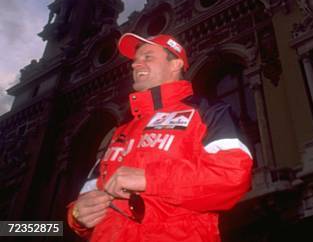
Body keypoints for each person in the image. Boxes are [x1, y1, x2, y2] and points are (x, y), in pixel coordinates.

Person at [66, 33, 253, 241]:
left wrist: (149, 179)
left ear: (175, 64)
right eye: (135, 61)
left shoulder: (207, 112)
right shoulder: (121, 130)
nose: (135, 65)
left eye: (147, 57)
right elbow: (85, 199)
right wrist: (77, 215)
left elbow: (233, 177)